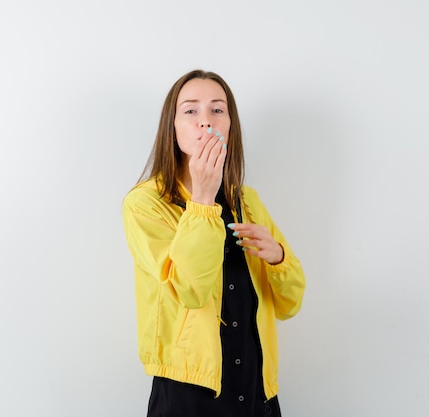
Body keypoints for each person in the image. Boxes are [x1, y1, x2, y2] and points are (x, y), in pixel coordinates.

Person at [121, 69, 306, 417]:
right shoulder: (146, 204)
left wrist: (278, 258)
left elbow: (290, 304)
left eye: (217, 110)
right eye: (190, 111)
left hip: (257, 393)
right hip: (188, 395)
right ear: (172, 127)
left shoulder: (247, 201)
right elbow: (190, 290)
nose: (205, 121)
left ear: (230, 126)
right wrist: (203, 199)